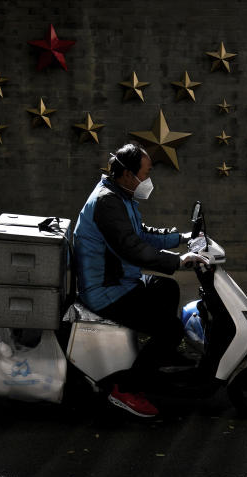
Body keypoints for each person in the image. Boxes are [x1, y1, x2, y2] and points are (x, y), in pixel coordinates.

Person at [73, 142, 205, 418]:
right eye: (144, 175)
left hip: (121, 278)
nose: (147, 180)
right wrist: (177, 260)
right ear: (126, 174)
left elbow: (141, 233)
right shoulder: (107, 202)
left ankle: (158, 354)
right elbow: (131, 247)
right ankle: (125, 389)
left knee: (166, 287)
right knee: (170, 330)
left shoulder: (119, 195)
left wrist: (181, 238)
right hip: (106, 290)